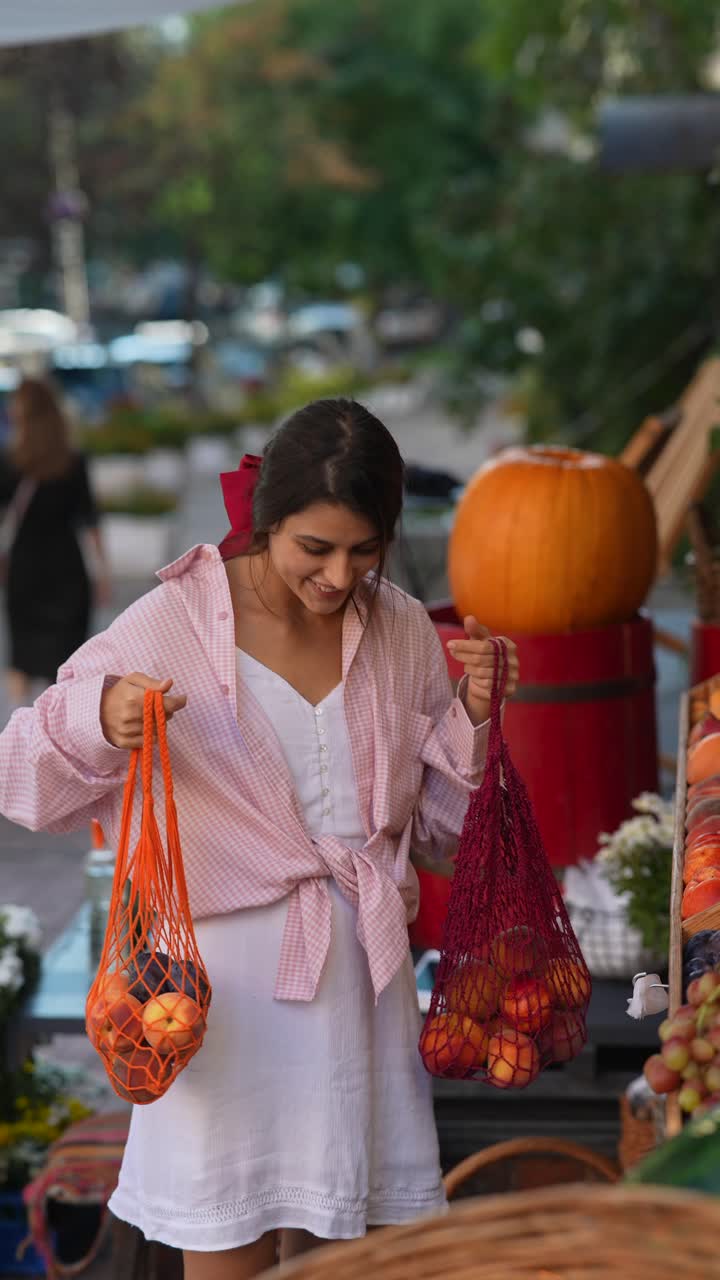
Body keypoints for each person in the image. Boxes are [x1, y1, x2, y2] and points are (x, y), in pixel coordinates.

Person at [0, 398, 519, 1279]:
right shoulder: (171, 624)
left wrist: (472, 715)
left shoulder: (399, 629)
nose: (338, 575)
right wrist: (101, 715)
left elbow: (440, 829)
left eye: (364, 551)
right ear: (265, 522)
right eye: (314, 549)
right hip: (219, 991)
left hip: (359, 973)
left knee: (346, 1247)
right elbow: (23, 773)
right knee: (227, 1241)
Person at [0, 377, 110, 708]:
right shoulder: (73, 461)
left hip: (25, 568)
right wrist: (102, 573)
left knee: (22, 655)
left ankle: (18, 731)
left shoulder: (10, 461)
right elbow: (90, 521)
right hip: (67, 569)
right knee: (66, 660)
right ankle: (59, 727)